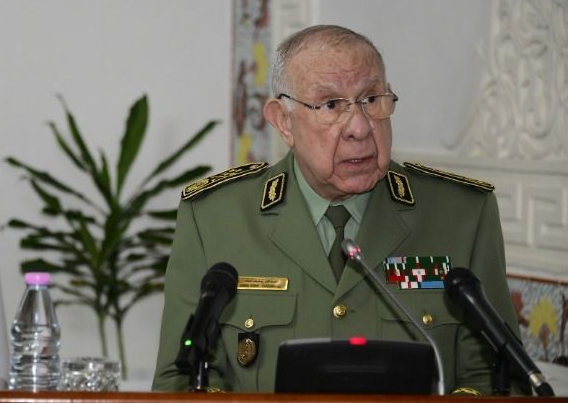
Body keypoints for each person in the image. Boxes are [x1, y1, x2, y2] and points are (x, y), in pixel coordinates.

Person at [151, 25, 527, 395]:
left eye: (371, 100)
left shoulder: (461, 214)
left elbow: (499, 376)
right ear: (283, 121)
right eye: (331, 105)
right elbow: (179, 381)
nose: (360, 127)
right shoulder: (215, 218)